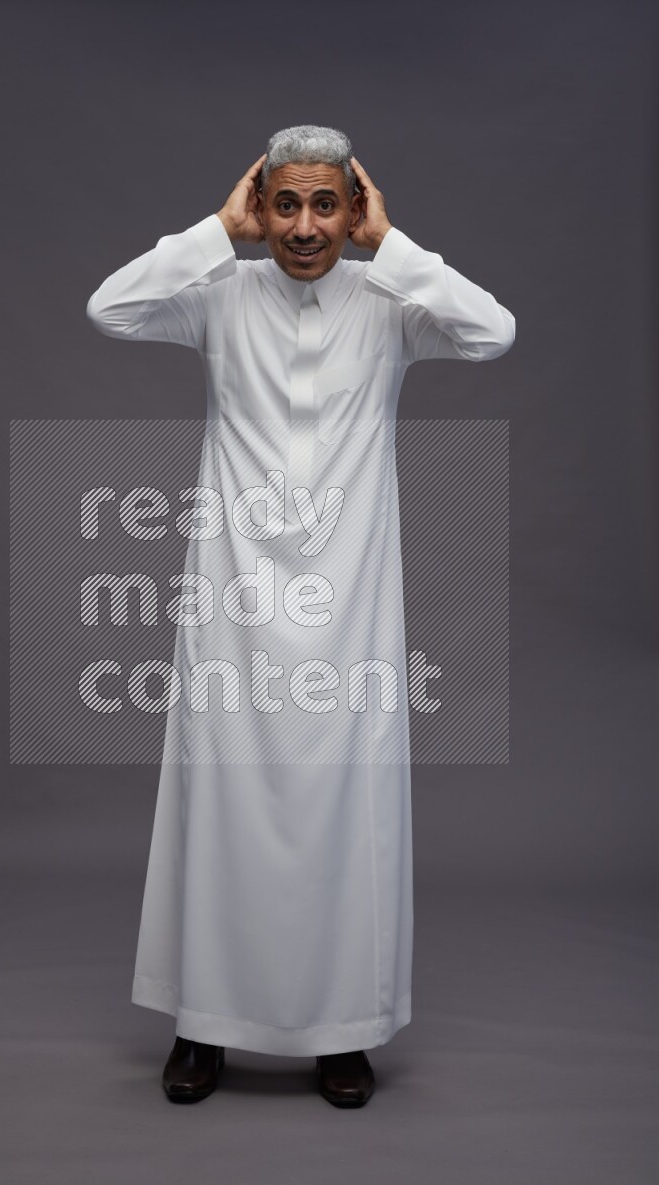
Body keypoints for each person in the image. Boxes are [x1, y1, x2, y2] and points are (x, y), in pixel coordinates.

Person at [86, 125, 515, 1107]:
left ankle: (342, 1032)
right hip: (233, 604)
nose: (305, 226)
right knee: (221, 805)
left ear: (351, 208)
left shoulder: (386, 302)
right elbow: (109, 309)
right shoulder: (218, 296)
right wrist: (214, 232)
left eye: (326, 204)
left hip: (350, 612)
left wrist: (390, 247)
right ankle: (203, 1026)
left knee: (341, 813)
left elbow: (492, 332)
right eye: (287, 204)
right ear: (261, 206)